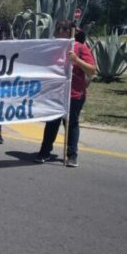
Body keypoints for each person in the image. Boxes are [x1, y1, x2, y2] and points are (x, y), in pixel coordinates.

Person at [35, 21, 96, 167]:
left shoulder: (80, 48)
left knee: (71, 124)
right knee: (51, 123)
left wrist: (76, 60)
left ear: (70, 31)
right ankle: (44, 152)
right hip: (56, 93)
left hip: (74, 94)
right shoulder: (53, 47)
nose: (59, 31)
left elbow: (92, 70)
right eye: (57, 28)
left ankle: (72, 155)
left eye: (63, 29)